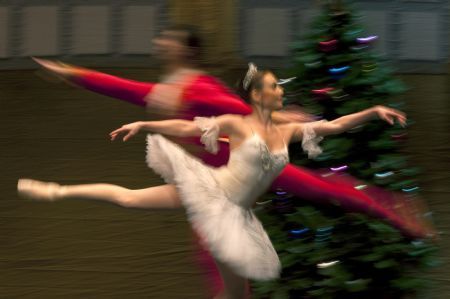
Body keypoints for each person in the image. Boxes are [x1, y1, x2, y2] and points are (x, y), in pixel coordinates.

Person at [21, 65, 412, 299]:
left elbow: (337, 125)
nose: (282, 92)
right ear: (259, 96)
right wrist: (143, 123)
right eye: (275, 87)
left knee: (234, 294)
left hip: (231, 207)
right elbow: (183, 124)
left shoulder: (287, 133)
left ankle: (59, 190)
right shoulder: (236, 124)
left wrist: (373, 110)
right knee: (130, 199)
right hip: (216, 195)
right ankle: (57, 190)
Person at [27, 26, 430, 240]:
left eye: (167, 39)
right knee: (169, 218)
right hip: (218, 176)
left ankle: (387, 207)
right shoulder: (171, 91)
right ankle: (59, 190)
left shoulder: (197, 86)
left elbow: (241, 114)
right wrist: (74, 76)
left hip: (247, 161)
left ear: (187, 49)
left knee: (319, 188)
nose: (158, 43)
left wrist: (289, 121)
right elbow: (131, 93)